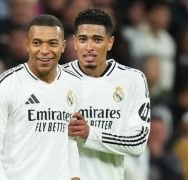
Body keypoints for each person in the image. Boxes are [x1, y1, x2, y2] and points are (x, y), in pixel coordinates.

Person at [0, 15, 81, 180]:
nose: (44, 50)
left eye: (52, 43)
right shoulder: (5, 84)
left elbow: (70, 141)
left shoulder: (73, 85)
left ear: (63, 46)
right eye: (37, 43)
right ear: (27, 45)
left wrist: (75, 175)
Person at [64, 8, 150, 180]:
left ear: (110, 43)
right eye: (83, 39)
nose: (89, 47)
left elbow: (138, 143)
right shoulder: (57, 79)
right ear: (74, 42)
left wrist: (91, 133)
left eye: (97, 39)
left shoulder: (132, 80)